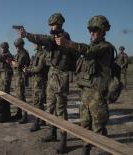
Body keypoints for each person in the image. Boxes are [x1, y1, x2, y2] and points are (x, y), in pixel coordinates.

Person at [16, 12, 76, 154]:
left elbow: (44, 40)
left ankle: (63, 140)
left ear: (60, 24)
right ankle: (52, 132)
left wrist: (27, 35)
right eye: (50, 25)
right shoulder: (54, 38)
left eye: (53, 24)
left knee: (61, 110)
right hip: (52, 77)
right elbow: (46, 40)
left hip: (61, 78)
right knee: (50, 107)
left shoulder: (63, 37)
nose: (51, 27)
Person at [55, 15, 115, 155]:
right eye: (90, 30)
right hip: (85, 95)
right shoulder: (89, 50)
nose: (91, 33)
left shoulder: (106, 48)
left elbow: (89, 51)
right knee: (84, 126)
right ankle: (85, 150)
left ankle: (103, 151)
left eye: (95, 30)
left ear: (103, 31)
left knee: (98, 128)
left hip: (97, 96)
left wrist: (70, 43)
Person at [25, 43, 47, 132]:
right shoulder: (36, 54)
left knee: (37, 102)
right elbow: (32, 65)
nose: (33, 44)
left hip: (40, 81)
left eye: (35, 43)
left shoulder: (43, 54)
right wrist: (27, 69)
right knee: (38, 101)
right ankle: (42, 120)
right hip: (35, 81)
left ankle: (36, 123)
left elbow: (39, 68)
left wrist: (29, 70)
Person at [11, 38, 30, 124]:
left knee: (21, 97)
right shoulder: (18, 53)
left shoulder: (24, 53)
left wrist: (14, 64)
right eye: (16, 46)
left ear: (21, 45)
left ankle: (24, 116)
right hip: (17, 77)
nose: (16, 48)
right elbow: (15, 64)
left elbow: (19, 64)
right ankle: (19, 113)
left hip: (21, 77)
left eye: (18, 46)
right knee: (18, 96)